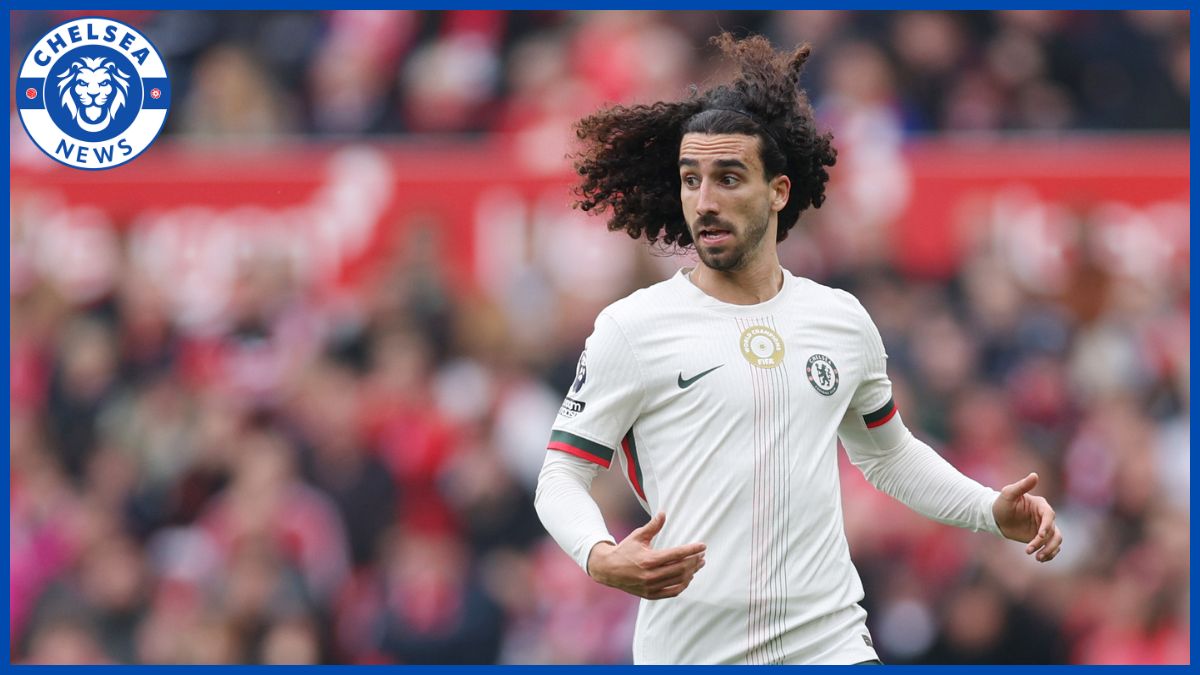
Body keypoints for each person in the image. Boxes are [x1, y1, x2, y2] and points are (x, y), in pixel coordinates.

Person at [533, 33, 1063, 665]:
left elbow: (888, 456)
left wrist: (987, 509)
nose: (705, 201)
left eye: (728, 178)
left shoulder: (838, 320)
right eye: (691, 179)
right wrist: (600, 555)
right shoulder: (632, 328)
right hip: (694, 653)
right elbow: (561, 476)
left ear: (779, 191)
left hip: (830, 644)